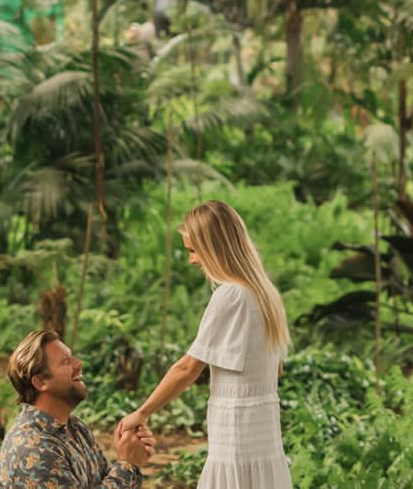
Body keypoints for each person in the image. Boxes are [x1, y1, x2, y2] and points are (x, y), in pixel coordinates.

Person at [118, 200, 292, 489]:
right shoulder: (265, 295)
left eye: (193, 251)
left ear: (215, 248)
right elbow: (275, 371)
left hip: (235, 436)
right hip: (263, 437)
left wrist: (143, 412)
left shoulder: (230, 296)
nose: (192, 260)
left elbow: (188, 368)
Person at [0, 329, 157, 487]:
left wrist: (130, 454)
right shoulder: (35, 449)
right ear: (41, 382)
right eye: (66, 361)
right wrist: (128, 464)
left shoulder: (74, 426)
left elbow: (102, 481)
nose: (78, 363)